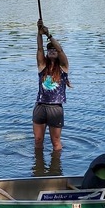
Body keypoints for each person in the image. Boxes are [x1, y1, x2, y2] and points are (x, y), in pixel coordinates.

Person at [33, 19, 70, 150]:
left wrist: (48, 35)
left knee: (55, 142)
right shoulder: (42, 66)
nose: (52, 50)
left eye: (54, 49)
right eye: (50, 49)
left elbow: (60, 51)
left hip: (55, 108)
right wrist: (39, 33)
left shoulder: (63, 67)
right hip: (40, 106)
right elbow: (39, 49)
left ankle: (56, 168)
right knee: (38, 140)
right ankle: (38, 168)